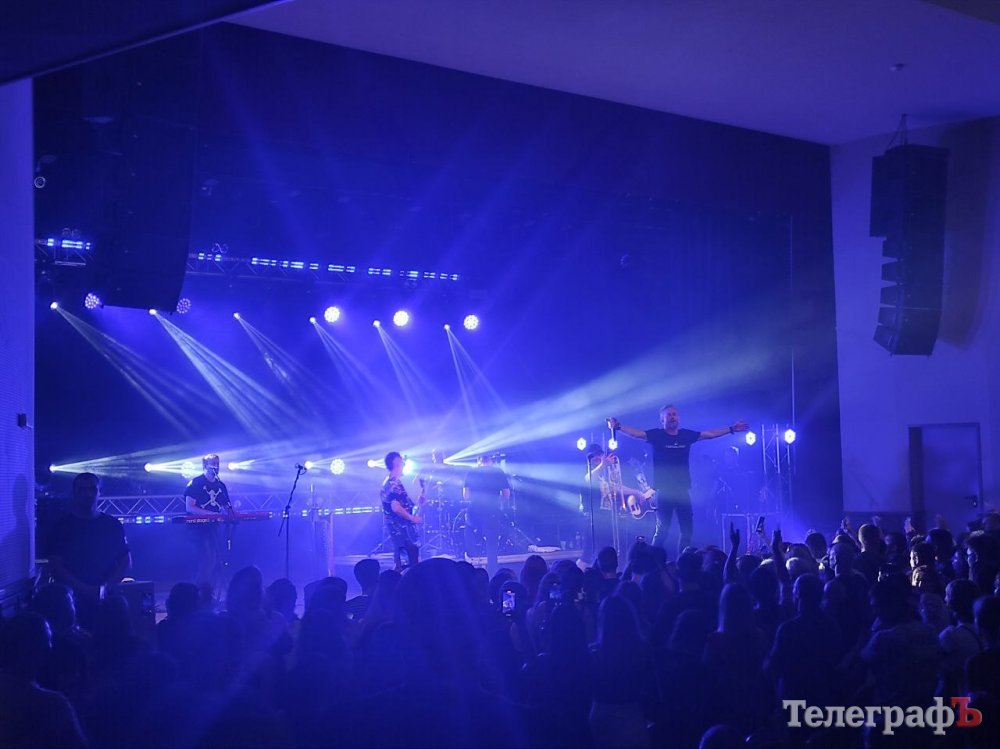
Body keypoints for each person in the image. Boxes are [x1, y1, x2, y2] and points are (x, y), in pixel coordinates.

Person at [609, 406, 748, 555]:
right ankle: (652, 559)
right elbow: (637, 434)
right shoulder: (657, 435)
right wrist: (619, 427)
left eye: (674, 414)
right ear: (662, 420)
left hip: (682, 490)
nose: (672, 417)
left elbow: (709, 435)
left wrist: (731, 429)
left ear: (678, 418)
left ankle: (684, 559)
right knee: (663, 530)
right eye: (669, 415)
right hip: (664, 491)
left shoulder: (685, 435)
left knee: (687, 529)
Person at [47, 472, 131, 630]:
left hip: (106, 599)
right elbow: (55, 566)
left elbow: (125, 562)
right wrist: (87, 590)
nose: (88, 494)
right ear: (74, 493)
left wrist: (104, 588)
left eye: (92, 489)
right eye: (82, 490)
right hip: (73, 601)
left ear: (99, 492)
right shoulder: (62, 526)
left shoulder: (112, 525)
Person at [183, 454, 234, 587]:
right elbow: (189, 507)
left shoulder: (221, 485)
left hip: (214, 528)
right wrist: (211, 514)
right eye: (213, 464)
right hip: (197, 529)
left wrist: (232, 513)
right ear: (205, 465)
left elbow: (227, 506)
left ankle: (208, 588)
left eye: (217, 463)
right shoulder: (196, 483)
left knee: (215, 558)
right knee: (206, 557)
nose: (216, 467)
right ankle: (200, 589)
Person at [463, 453, 511, 575]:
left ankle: (472, 567)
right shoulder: (498, 472)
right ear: (491, 459)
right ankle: (491, 573)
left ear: (478, 459)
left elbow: (466, 495)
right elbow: (506, 494)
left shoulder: (472, 472)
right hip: (492, 511)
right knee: (492, 543)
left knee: (469, 531)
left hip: (475, 510)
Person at [381, 451, 423, 571]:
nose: (404, 465)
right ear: (396, 463)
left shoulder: (394, 483)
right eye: (402, 462)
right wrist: (412, 518)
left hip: (404, 533)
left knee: (408, 565)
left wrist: (419, 502)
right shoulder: (393, 485)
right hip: (402, 533)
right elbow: (396, 507)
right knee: (408, 567)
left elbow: (403, 504)